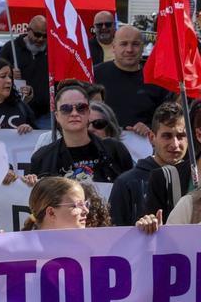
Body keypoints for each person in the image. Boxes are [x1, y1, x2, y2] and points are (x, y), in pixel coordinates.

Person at [29, 84, 133, 182]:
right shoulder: (42, 157)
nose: (74, 113)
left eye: (81, 108)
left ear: (88, 113)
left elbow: (132, 190)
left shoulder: (115, 150)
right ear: (57, 116)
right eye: (66, 109)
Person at [109, 102, 187, 225]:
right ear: (152, 137)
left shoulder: (195, 180)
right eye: (167, 136)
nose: (175, 144)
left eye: (181, 136)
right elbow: (113, 235)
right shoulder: (126, 183)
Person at [93, 26, 171, 136]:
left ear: (143, 47)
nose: (129, 49)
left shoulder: (156, 80)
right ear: (114, 47)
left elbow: (165, 119)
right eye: (124, 44)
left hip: (144, 147)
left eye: (135, 44)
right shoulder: (95, 75)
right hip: (103, 145)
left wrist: (149, 127)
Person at [22, 177, 160, 233]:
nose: (86, 210)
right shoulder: (17, 253)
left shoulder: (97, 247)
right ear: (51, 212)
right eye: (77, 205)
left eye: (85, 204)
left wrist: (143, 236)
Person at [0, 15, 50, 126]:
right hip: (16, 110)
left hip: (45, 114)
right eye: (37, 35)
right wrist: (9, 74)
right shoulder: (10, 48)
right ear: (28, 30)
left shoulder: (52, 51)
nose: (40, 39)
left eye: (45, 36)